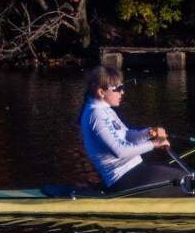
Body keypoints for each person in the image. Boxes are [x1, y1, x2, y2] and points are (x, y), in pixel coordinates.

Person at [79, 65, 185, 194]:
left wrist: (150, 132)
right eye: (118, 88)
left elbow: (127, 136)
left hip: (135, 171)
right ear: (101, 92)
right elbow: (121, 151)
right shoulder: (96, 115)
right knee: (191, 180)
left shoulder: (104, 110)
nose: (122, 92)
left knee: (191, 176)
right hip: (124, 179)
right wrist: (154, 144)